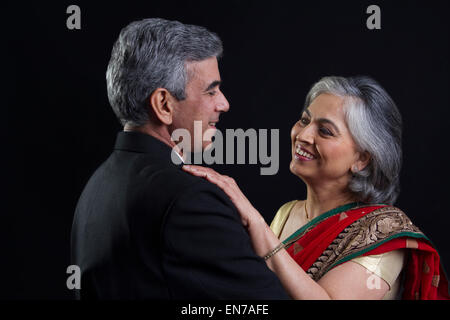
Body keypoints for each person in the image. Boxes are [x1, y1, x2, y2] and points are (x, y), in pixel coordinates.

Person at [71, 18, 288, 299]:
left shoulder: (97, 186)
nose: (224, 103)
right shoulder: (191, 200)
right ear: (164, 105)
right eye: (211, 90)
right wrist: (259, 228)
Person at [183, 76, 450, 300]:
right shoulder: (288, 213)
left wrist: (255, 222)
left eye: (325, 131)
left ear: (362, 159)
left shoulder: (383, 233)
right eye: (304, 120)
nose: (303, 135)